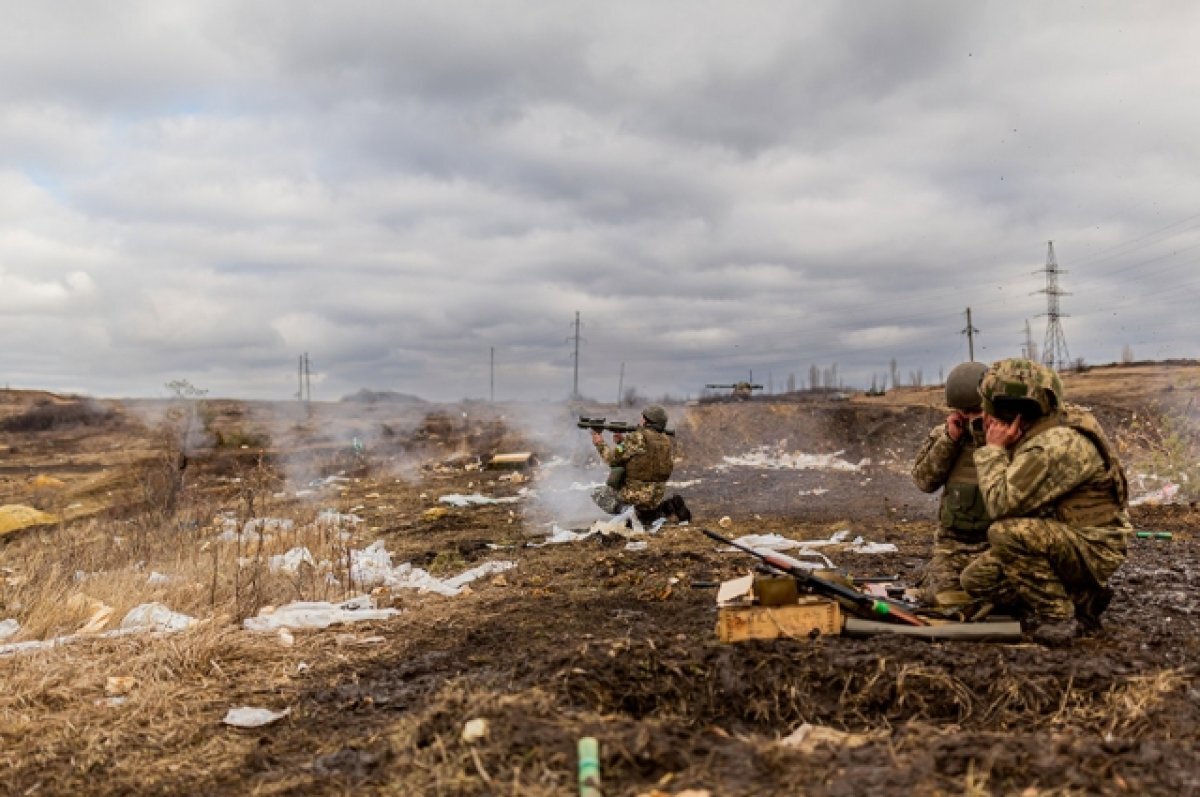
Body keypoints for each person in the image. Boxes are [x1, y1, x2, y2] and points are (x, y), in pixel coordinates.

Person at [960, 358, 1131, 644]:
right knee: (976, 580)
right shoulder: (1047, 425)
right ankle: (1082, 598)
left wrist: (993, 450)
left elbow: (1000, 504)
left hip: (1094, 545)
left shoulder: (1052, 446)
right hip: (1072, 535)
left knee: (1006, 534)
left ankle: (1058, 616)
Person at [911, 361, 991, 610]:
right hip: (953, 545)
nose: (968, 418)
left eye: (975, 411)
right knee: (946, 599)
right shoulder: (945, 435)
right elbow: (924, 481)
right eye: (962, 412)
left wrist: (987, 437)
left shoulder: (1009, 436)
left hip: (996, 543)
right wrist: (949, 441)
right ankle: (931, 575)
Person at [589, 404, 691, 523]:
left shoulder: (638, 437)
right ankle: (655, 513)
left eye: (643, 418)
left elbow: (612, 459)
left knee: (598, 494)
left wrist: (599, 443)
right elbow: (645, 457)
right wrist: (621, 443)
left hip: (637, 496)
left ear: (648, 421)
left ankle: (629, 513)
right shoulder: (665, 440)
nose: (640, 420)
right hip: (656, 496)